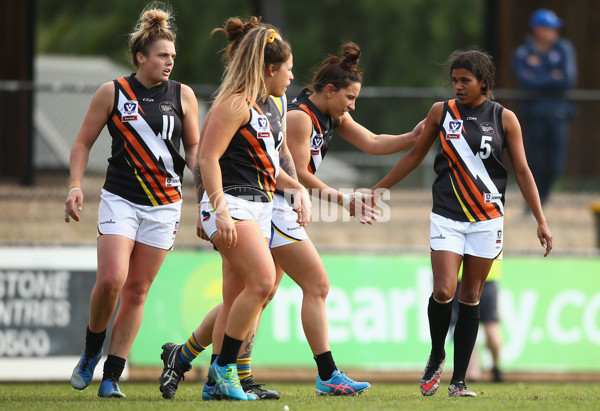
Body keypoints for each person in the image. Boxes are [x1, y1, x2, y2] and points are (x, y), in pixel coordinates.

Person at [372, 49, 552, 397]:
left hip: (487, 220)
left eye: (464, 81)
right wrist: (378, 190)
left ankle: (459, 381)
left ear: (484, 83)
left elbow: (523, 171)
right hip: (447, 216)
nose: (457, 86)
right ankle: (437, 353)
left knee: (471, 296)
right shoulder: (441, 112)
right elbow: (414, 155)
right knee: (444, 290)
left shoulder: (505, 118)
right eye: (454, 80)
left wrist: (541, 221)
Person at [64, 4, 199, 398]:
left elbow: (193, 150)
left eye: (173, 56)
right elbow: (82, 143)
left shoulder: (183, 95)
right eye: (162, 56)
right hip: (120, 199)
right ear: (141, 57)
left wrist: (207, 193)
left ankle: (112, 376)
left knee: (138, 291)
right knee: (111, 281)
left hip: (165, 204)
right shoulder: (113, 92)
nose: (169, 62)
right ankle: (91, 352)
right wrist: (74, 185)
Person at [196, 17, 311, 401]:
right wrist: (219, 212)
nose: (291, 78)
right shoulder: (233, 103)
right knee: (263, 282)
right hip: (231, 204)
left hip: (259, 207)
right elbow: (207, 159)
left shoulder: (268, 108)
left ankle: (216, 385)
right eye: (289, 70)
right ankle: (224, 369)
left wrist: (296, 187)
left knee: (238, 297)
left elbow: (268, 167)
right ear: (271, 69)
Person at [513, 8, 577, 206]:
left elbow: (567, 80)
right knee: (534, 160)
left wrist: (539, 76)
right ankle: (532, 202)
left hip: (559, 112)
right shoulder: (523, 52)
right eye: (550, 28)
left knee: (555, 163)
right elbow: (526, 82)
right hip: (534, 114)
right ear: (538, 30)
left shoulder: (564, 48)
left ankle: (545, 197)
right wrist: (552, 77)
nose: (554, 32)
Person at [451, 261, 504, 383]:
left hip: (463, 280)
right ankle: (496, 367)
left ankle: (473, 372)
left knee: (466, 326)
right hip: (487, 280)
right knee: (491, 328)